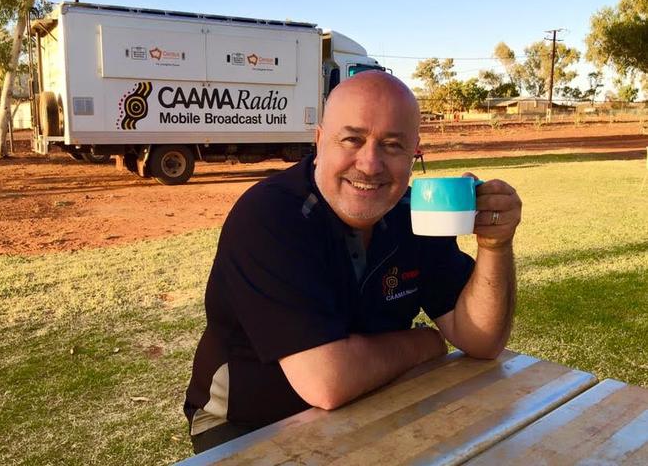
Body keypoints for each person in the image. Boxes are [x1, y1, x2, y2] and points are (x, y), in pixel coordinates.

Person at [184, 71, 522, 453]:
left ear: (415, 153)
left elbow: (481, 339)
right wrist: (423, 342)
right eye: (352, 139)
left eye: (393, 145)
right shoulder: (270, 215)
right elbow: (327, 383)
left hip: (372, 401)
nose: (370, 163)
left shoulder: (413, 212)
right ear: (319, 141)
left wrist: (495, 247)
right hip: (249, 425)